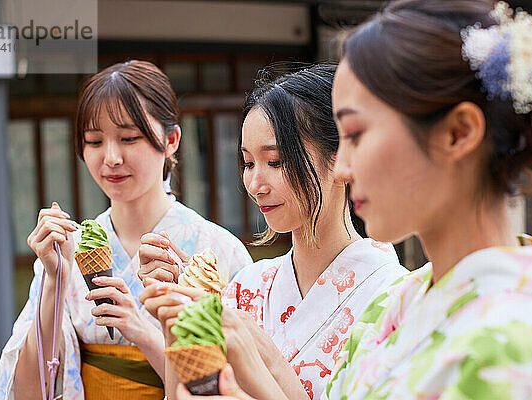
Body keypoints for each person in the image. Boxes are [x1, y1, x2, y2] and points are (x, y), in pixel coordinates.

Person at [171, 0, 532, 399]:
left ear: (457, 133)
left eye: (355, 134)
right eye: (247, 163)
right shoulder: (403, 302)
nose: (343, 169)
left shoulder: (515, 337)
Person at [139, 64, 406, 400]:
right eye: (249, 163)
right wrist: (178, 321)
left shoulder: (392, 295)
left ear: (339, 160)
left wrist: (263, 357)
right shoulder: (245, 287)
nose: (255, 184)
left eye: (276, 161)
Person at [0, 60, 253, 400]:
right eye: (94, 141)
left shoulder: (219, 250)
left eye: (129, 138)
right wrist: (54, 282)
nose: (111, 157)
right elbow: (29, 391)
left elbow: (243, 384)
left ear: (171, 139)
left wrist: (143, 331)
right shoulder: (67, 250)